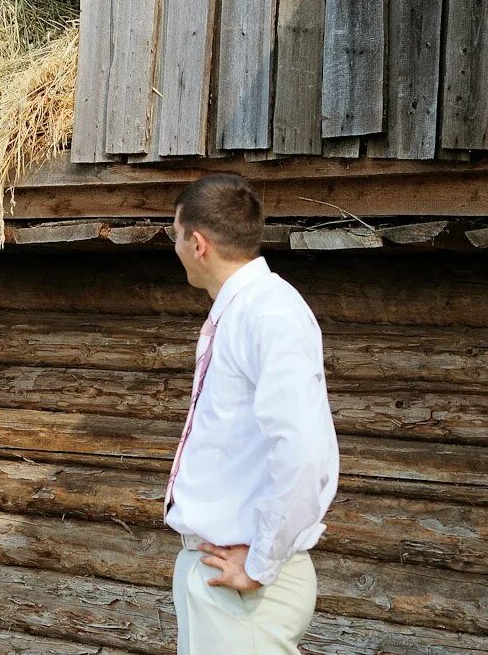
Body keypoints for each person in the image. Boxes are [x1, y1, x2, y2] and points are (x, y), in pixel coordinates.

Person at [166, 173, 339, 655]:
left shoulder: (269, 313)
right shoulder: (245, 310)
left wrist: (261, 563)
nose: (175, 246)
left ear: (197, 243)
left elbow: (303, 451)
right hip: (224, 579)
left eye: (174, 235)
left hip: (246, 590)